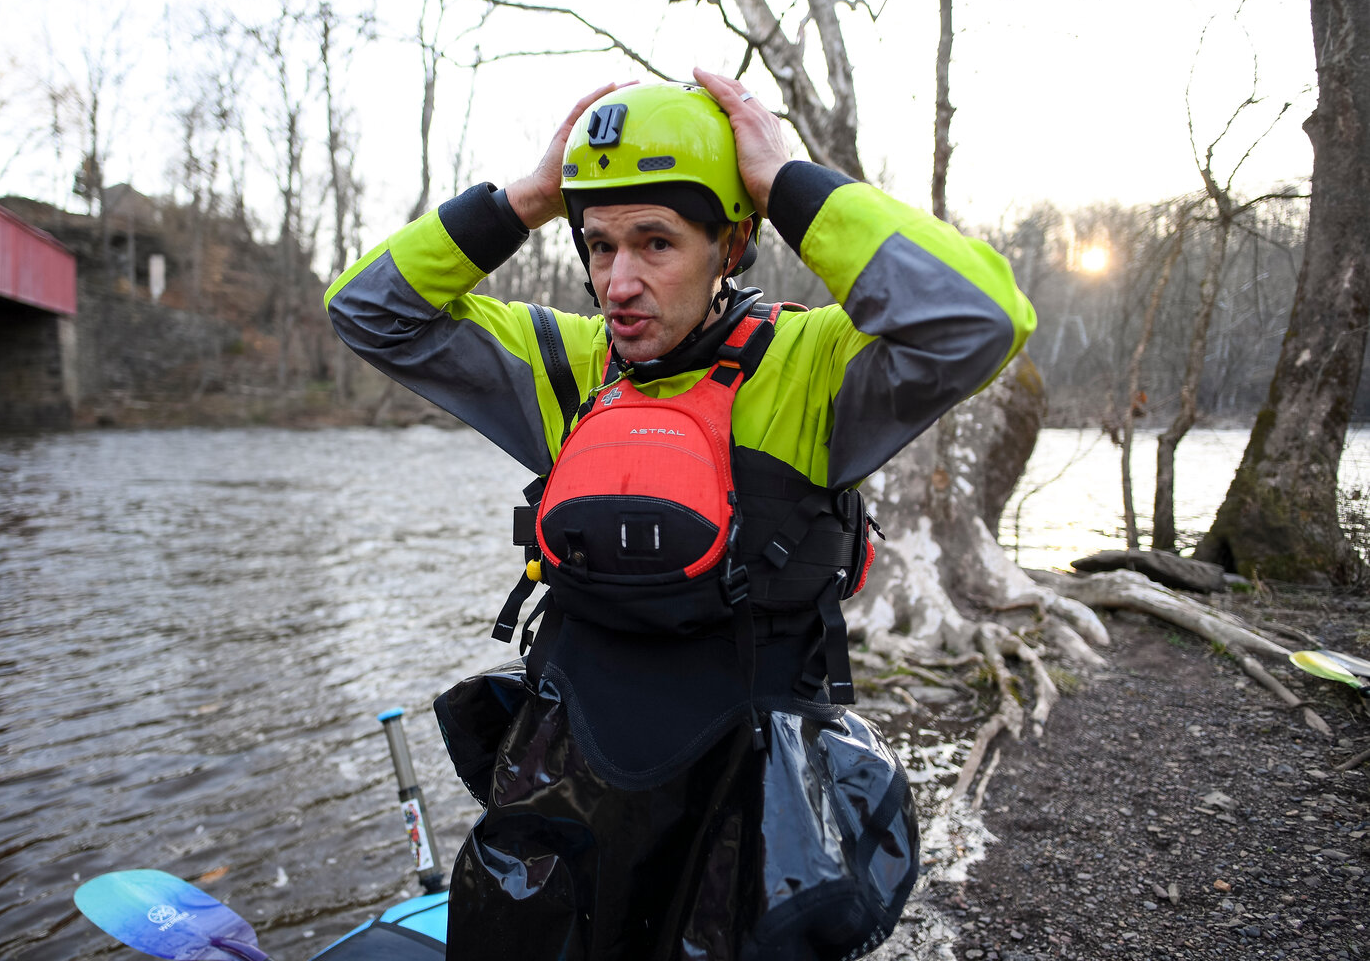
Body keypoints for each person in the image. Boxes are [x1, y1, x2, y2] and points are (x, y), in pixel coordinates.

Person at [325, 68, 1036, 961]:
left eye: (656, 243)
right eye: (599, 245)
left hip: (747, 800)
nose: (617, 282)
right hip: (568, 774)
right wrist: (525, 200)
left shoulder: (810, 365)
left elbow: (978, 317)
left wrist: (787, 184)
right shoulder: (572, 366)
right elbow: (369, 311)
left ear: (730, 245)